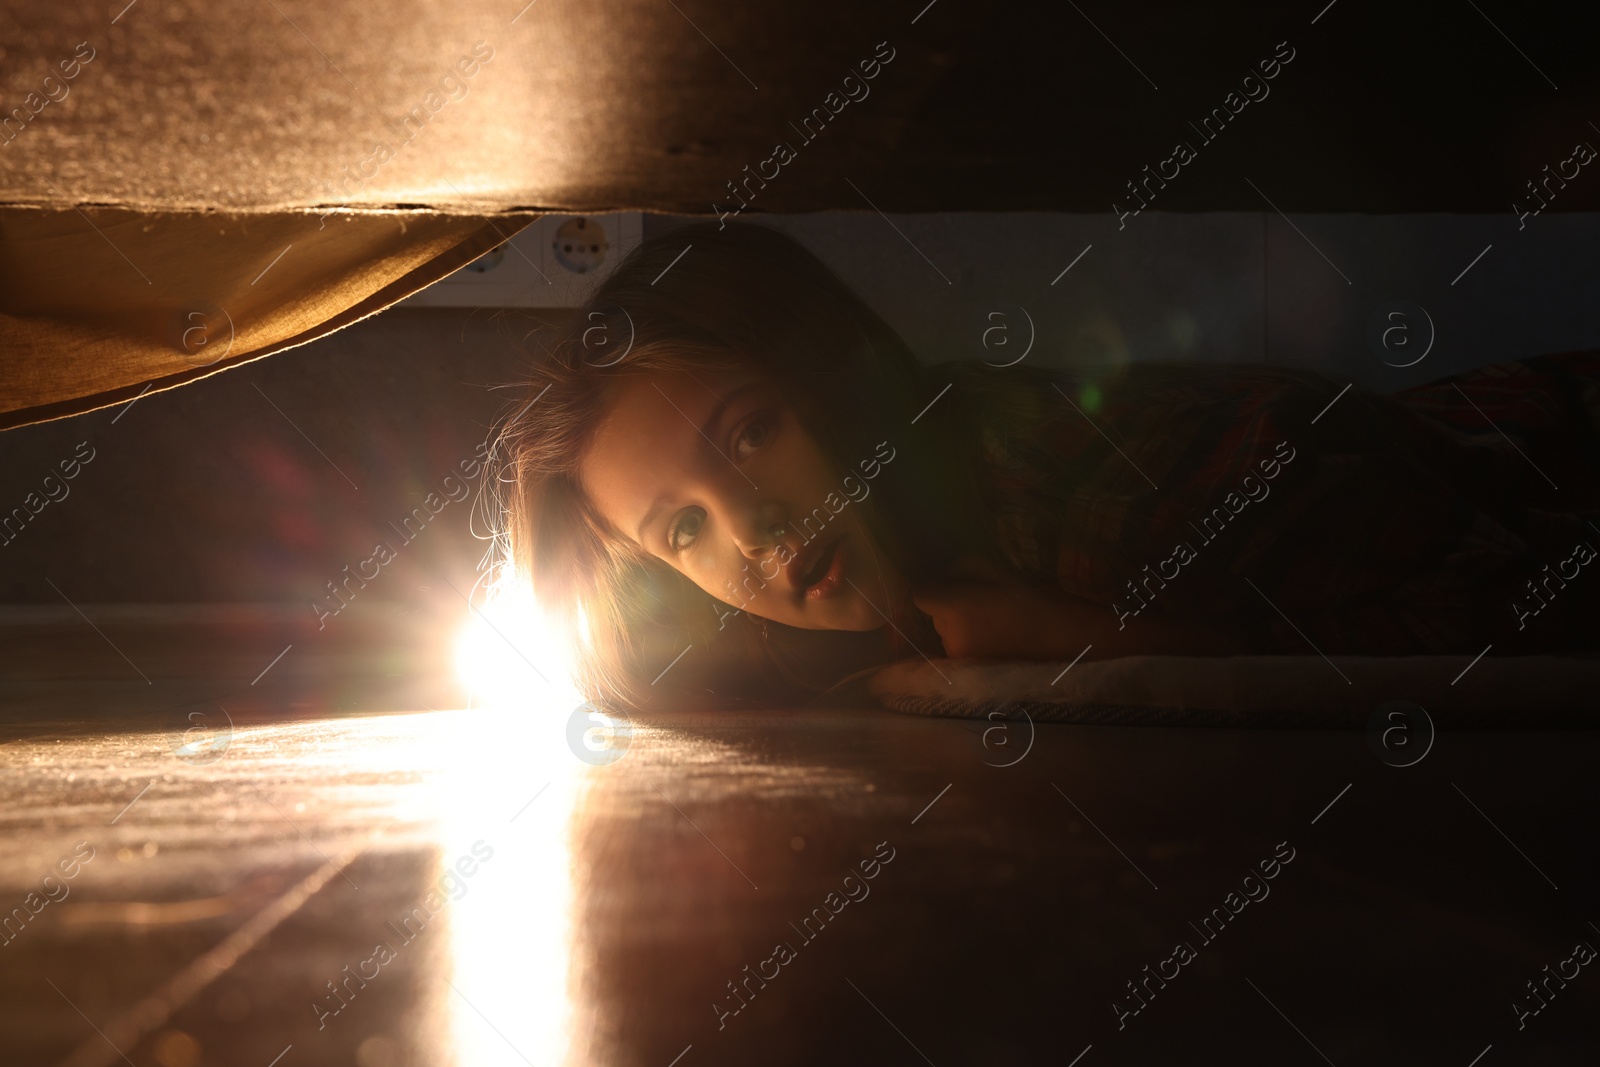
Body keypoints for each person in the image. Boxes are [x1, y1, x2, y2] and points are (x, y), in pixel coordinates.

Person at [490, 222, 1600, 711]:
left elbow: (1504, 604)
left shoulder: (1080, 495)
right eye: (680, 530)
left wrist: (1049, 633)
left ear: (830, 377)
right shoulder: (869, 595)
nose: (752, 525)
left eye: (749, 432)